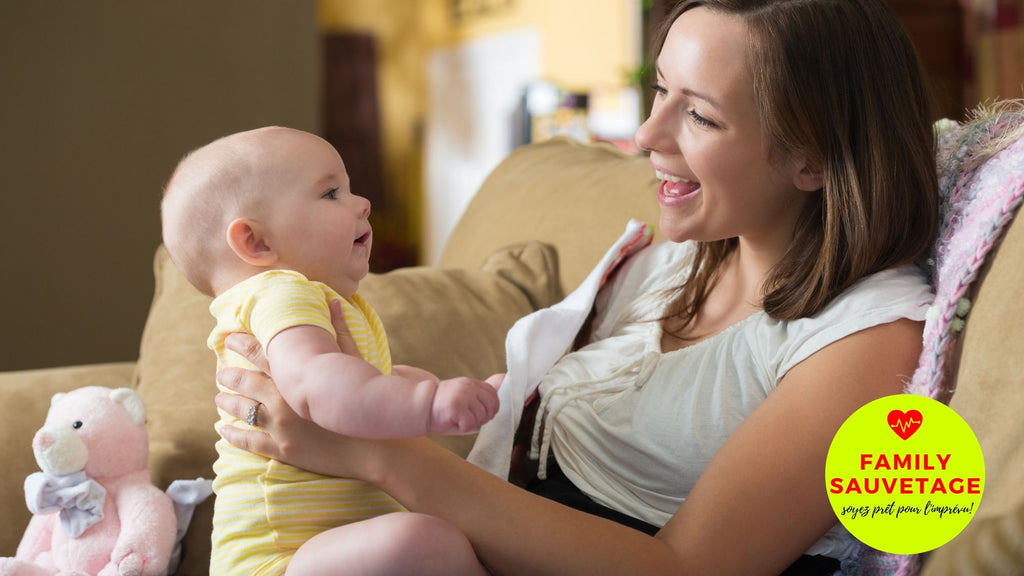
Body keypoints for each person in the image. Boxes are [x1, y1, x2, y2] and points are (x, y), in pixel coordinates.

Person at [213, 0, 940, 574]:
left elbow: (688, 569)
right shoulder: (670, 266)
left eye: (699, 113)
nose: (646, 135)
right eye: (659, 90)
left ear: (812, 160)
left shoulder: (864, 343)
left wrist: (373, 452)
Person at [160, 126, 500, 576]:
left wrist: (430, 387)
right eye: (331, 193)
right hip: (275, 563)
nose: (362, 203)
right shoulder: (278, 291)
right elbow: (318, 385)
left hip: (320, 553)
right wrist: (429, 403)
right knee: (421, 541)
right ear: (256, 243)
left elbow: (359, 382)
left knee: (427, 543)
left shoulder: (319, 302)